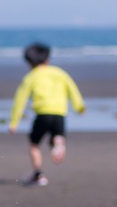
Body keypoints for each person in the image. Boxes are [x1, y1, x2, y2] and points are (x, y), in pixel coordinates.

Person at [8, 42, 85, 187]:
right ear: (47, 59)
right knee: (56, 137)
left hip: (42, 114)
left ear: (29, 62)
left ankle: (39, 175)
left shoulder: (30, 77)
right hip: (59, 114)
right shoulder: (60, 73)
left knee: (34, 144)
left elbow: (20, 100)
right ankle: (58, 143)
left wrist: (14, 122)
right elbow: (72, 89)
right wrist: (79, 107)